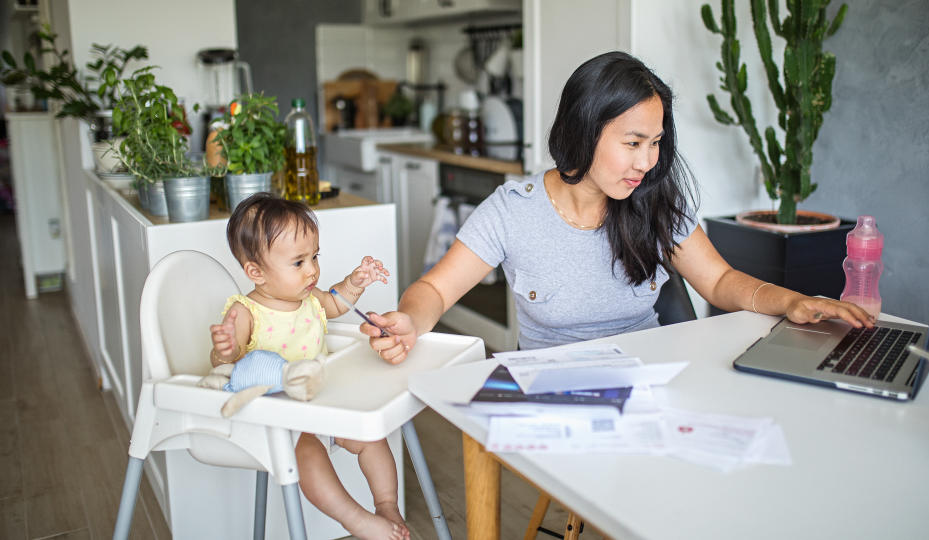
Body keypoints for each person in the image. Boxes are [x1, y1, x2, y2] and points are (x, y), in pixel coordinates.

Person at [362, 51, 873, 362]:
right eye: (632, 143)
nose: (648, 161)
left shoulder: (651, 201)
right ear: (584, 129)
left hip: (650, 380)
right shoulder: (513, 210)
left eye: (655, 143)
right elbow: (434, 288)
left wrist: (791, 302)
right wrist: (410, 318)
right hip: (557, 392)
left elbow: (718, 282)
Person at [208, 193, 408, 540]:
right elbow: (231, 363)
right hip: (278, 418)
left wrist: (356, 282)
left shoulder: (308, 297)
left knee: (372, 437)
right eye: (298, 262)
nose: (313, 269)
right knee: (309, 454)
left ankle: (387, 505)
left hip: (322, 404)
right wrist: (224, 349)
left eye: (315, 256)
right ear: (255, 271)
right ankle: (356, 520)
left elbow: (335, 302)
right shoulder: (245, 312)